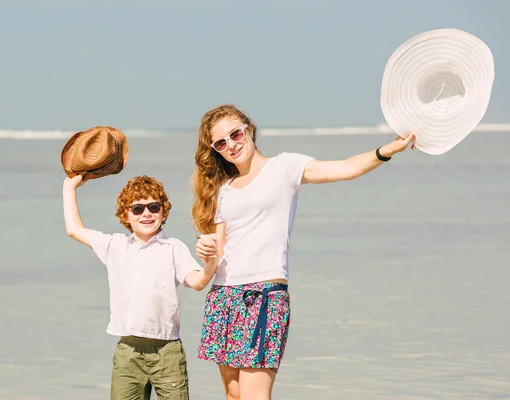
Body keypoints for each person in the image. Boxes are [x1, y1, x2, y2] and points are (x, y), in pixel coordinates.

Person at [192, 104, 416, 400]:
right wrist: (206, 252)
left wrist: (387, 150)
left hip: (264, 295)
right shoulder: (223, 189)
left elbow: (346, 168)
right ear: (215, 150)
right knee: (233, 395)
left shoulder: (285, 167)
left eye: (235, 134)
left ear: (248, 129)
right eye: (221, 143)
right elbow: (218, 254)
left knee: (255, 397)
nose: (231, 145)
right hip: (224, 296)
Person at [63, 174, 219, 400]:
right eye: (137, 209)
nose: (146, 214)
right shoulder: (114, 245)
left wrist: (211, 262)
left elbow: (197, 282)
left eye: (153, 207)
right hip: (128, 352)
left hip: (167, 352)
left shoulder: (173, 248)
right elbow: (74, 230)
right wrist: (69, 186)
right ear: (125, 214)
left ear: (163, 211)